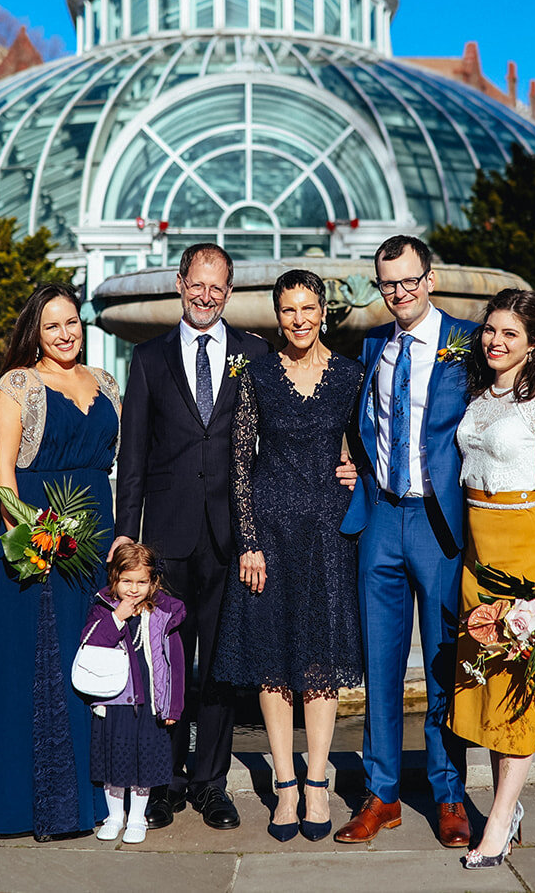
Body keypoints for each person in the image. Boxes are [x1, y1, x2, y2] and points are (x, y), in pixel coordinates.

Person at [336, 235, 535, 849]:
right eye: (388, 283)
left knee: (449, 665)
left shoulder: (470, 341)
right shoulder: (371, 348)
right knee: (381, 666)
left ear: (430, 278)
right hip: (382, 520)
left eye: (410, 280)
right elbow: (360, 421)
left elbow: (519, 382)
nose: (400, 293)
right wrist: (350, 459)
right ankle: (382, 794)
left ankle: (448, 795)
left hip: (443, 529)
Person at [113, 243, 268, 831]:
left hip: (230, 537)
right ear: (181, 283)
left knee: (220, 668)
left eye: (218, 287)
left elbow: (272, 443)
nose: (206, 296)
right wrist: (129, 539)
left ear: (229, 292)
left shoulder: (254, 355)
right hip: (167, 537)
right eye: (197, 284)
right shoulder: (149, 358)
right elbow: (133, 457)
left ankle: (209, 783)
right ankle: (164, 780)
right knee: (165, 662)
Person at [0, 283, 120, 839]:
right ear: (35, 331)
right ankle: (29, 804)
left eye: (72, 322)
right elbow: (3, 476)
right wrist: (31, 543)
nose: (65, 333)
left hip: (96, 545)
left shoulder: (105, 384)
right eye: (53, 325)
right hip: (41, 548)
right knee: (39, 668)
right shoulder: (19, 385)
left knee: (95, 666)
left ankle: (95, 801)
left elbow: (110, 469)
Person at [214, 269, 364, 843]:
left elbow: (372, 445)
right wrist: (248, 540)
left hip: (328, 532)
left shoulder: (351, 375)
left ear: (323, 311)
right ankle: (283, 783)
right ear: (277, 316)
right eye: (287, 311)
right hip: (270, 532)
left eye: (307, 308)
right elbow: (239, 462)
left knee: (319, 660)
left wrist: (360, 473)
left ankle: (318, 781)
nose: (298, 320)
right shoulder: (254, 373)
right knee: (272, 658)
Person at [449, 289, 535, 869]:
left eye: (511, 335)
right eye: (491, 330)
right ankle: (507, 808)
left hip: (523, 558)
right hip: (476, 562)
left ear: (534, 344)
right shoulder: (477, 397)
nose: (496, 342)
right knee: (489, 691)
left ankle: (499, 821)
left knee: (521, 695)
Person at [82, 541, 187, 845]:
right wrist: (117, 617)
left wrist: (173, 708)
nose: (133, 589)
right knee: (114, 762)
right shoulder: (103, 607)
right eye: (126, 581)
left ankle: (137, 816)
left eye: (142, 582)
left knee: (144, 763)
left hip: (150, 704)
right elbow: (91, 643)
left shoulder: (163, 614)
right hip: (114, 702)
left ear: (154, 582)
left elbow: (176, 665)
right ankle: (115, 816)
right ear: (114, 579)